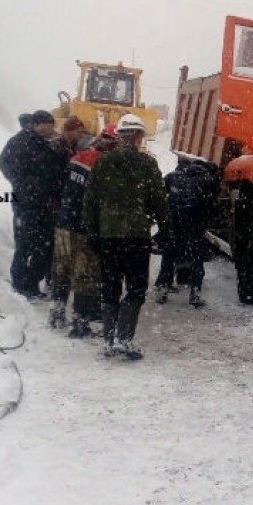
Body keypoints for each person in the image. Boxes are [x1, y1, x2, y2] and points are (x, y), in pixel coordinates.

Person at [83, 114, 168, 359]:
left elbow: (90, 202)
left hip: (108, 237)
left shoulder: (103, 162)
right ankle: (125, 339)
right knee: (135, 288)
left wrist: (93, 232)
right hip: (135, 238)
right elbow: (159, 202)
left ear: (119, 136)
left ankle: (108, 341)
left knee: (110, 286)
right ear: (140, 136)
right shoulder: (147, 164)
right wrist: (165, 229)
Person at [48, 123, 119, 337]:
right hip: (85, 227)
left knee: (61, 270)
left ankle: (57, 312)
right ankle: (80, 324)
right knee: (85, 276)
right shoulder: (105, 166)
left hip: (64, 223)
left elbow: (64, 187)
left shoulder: (77, 157)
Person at [0, 109, 66, 298]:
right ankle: (21, 285)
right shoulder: (21, 142)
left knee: (43, 246)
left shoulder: (47, 144)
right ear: (37, 125)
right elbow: (5, 164)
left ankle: (32, 283)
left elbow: (55, 169)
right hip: (26, 203)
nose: (50, 129)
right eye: (47, 126)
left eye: (52, 126)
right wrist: (25, 185)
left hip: (45, 204)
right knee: (25, 244)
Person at [153, 157, 219, 307]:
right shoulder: (208, 180)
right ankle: (195, 293)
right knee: (196, 257)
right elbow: (213, 204)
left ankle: (163, 288)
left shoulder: (173, 176)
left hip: (174, 220)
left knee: (169, 253)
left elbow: (160, 193)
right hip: (195, 223)